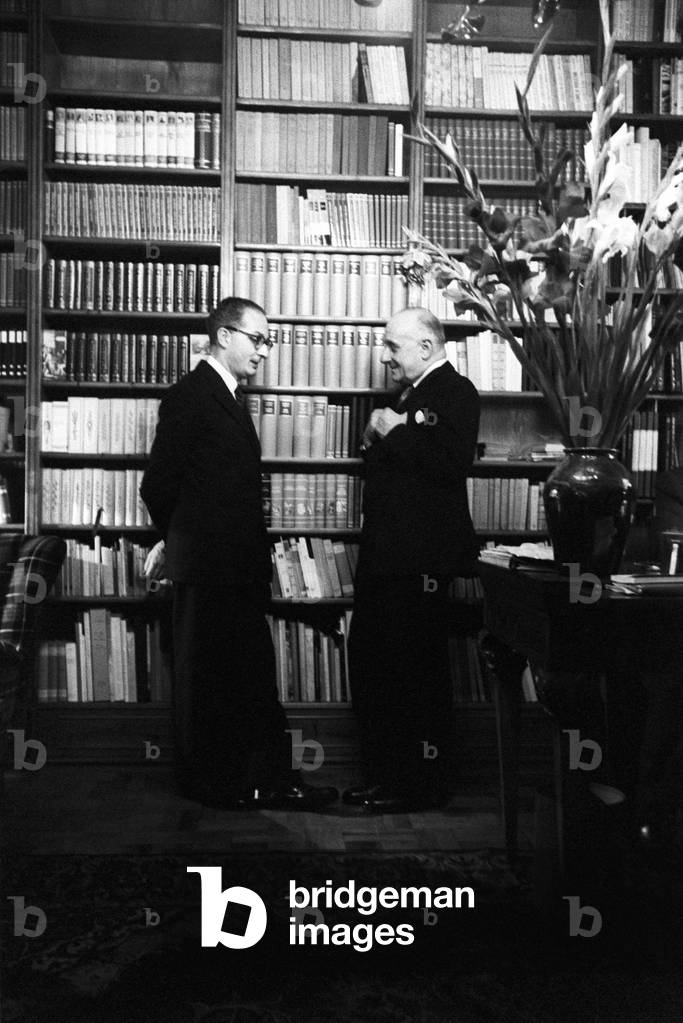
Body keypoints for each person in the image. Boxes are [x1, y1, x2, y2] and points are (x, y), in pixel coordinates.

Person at [140, 297, 337, 811]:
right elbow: (158, 485)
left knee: (248, 678)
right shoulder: (191, 396)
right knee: (210, 683)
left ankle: (263, 780)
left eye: (267, 341)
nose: (265, 352)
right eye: (259, 339)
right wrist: (181, 540)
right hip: (208, 571)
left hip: (236, 571)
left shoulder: (225, 394)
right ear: (224, 336)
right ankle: (220, 787)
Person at [344, 307, 480, 813]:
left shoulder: (455, 391)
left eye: (393, 347)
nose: (385, 357)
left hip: (418, 564)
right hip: (387, 559)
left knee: (414, 675)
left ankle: (418, 786)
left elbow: (449, 465)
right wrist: (385, 429)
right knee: (379, 668)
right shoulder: (407, 398)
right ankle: (387, 779)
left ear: (425, 346)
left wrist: (394, 430)